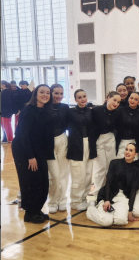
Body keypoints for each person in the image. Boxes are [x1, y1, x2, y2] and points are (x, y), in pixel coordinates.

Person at [12, 84, 53, 223]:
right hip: (24, 150)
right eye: (42, 92)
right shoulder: (28, 110)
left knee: (42, 182)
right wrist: (30, 156)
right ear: (35, 94)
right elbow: (23, 135)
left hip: (38, 150)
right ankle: (30, 213)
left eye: (48, 93)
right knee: (30, 181)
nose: (45, 95)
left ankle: (36, 210)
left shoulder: (46, 111)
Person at [86, 143, 139, 226]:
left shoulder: (136, 170)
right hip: (109, 195)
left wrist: (130, 211)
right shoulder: (114, 163)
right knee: (106, 222)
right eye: (126, 149)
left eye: (131, 150)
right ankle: (91, 210)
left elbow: (133, 191)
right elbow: (108, 182)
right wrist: (107, 200)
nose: (127, 152)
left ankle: (110, 215)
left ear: (135, 154)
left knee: (121, 221)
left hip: (123, 198)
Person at [67, 89, 97, 211]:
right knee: (78, 176)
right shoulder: (70, 112)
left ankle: (85, 198)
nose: (82, 99)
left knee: (88, 175)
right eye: (79, 97)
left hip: (89, 145)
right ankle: (75, 201)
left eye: (84, 96)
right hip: (76, 145)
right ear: (75, 100)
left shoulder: (91, 112)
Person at [92, 91, 121, 197]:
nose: (116, 103)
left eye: (118, 102)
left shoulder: (117, 112)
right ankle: (97, 195)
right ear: (108, 98)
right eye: (114, 100)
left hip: (110, 138)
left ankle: (109, 193)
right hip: (98, 139)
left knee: (110, 166)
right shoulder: (96, 110)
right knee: (100, 168)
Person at [47, 84, 70, 214]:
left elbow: (69, 124)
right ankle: (52, 201)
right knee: (54, 175)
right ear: (51, 93)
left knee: (64, 173)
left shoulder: (65, 107)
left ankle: (62, 200)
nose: (59, 96)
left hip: (62, 139)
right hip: (48, 143)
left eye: (61, 93)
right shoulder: (45, 107)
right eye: (56, 93)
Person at [116, 92, 139, 159]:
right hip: (121, 141)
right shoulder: (121, 109)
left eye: (136, 99)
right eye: (131, 98)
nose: (133, 101)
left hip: (135, 141)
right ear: (128, 99)